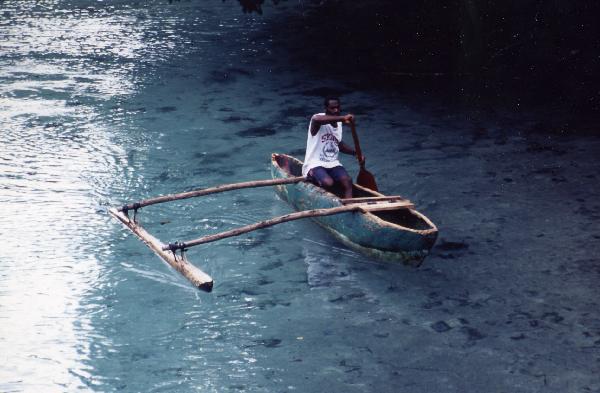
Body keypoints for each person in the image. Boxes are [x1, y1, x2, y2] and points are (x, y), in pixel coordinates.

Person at [302, 96, 364, 199]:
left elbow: (339, 144)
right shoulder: (318, 118)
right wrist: (343, 118)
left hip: (332, 163)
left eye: (338, 107)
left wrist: (356, 153)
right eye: (332, 108)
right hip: (315, 164)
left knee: (348, 181)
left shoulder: (339, 124)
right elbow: (317, 119)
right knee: (328, 183)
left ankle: (349, 207)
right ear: (326, 109)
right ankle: (311, 175)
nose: (336, 110)